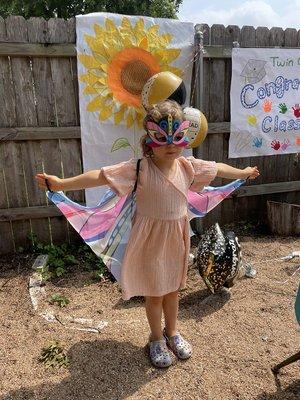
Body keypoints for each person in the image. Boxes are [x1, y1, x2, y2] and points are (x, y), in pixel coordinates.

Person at [35, 100, 259, 368]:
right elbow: (101, 176)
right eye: (162, 139)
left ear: (185, 137)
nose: (171, 145)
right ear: (150, 139)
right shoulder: (139, 168)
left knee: (173, 290)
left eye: (177, 138)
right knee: (155, 294)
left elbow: (218, 168)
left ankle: (172, 332)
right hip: (150, 241)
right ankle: (155, 338)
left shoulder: (188, 167)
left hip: (176, 238)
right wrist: (62, 184)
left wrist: (243, 172)